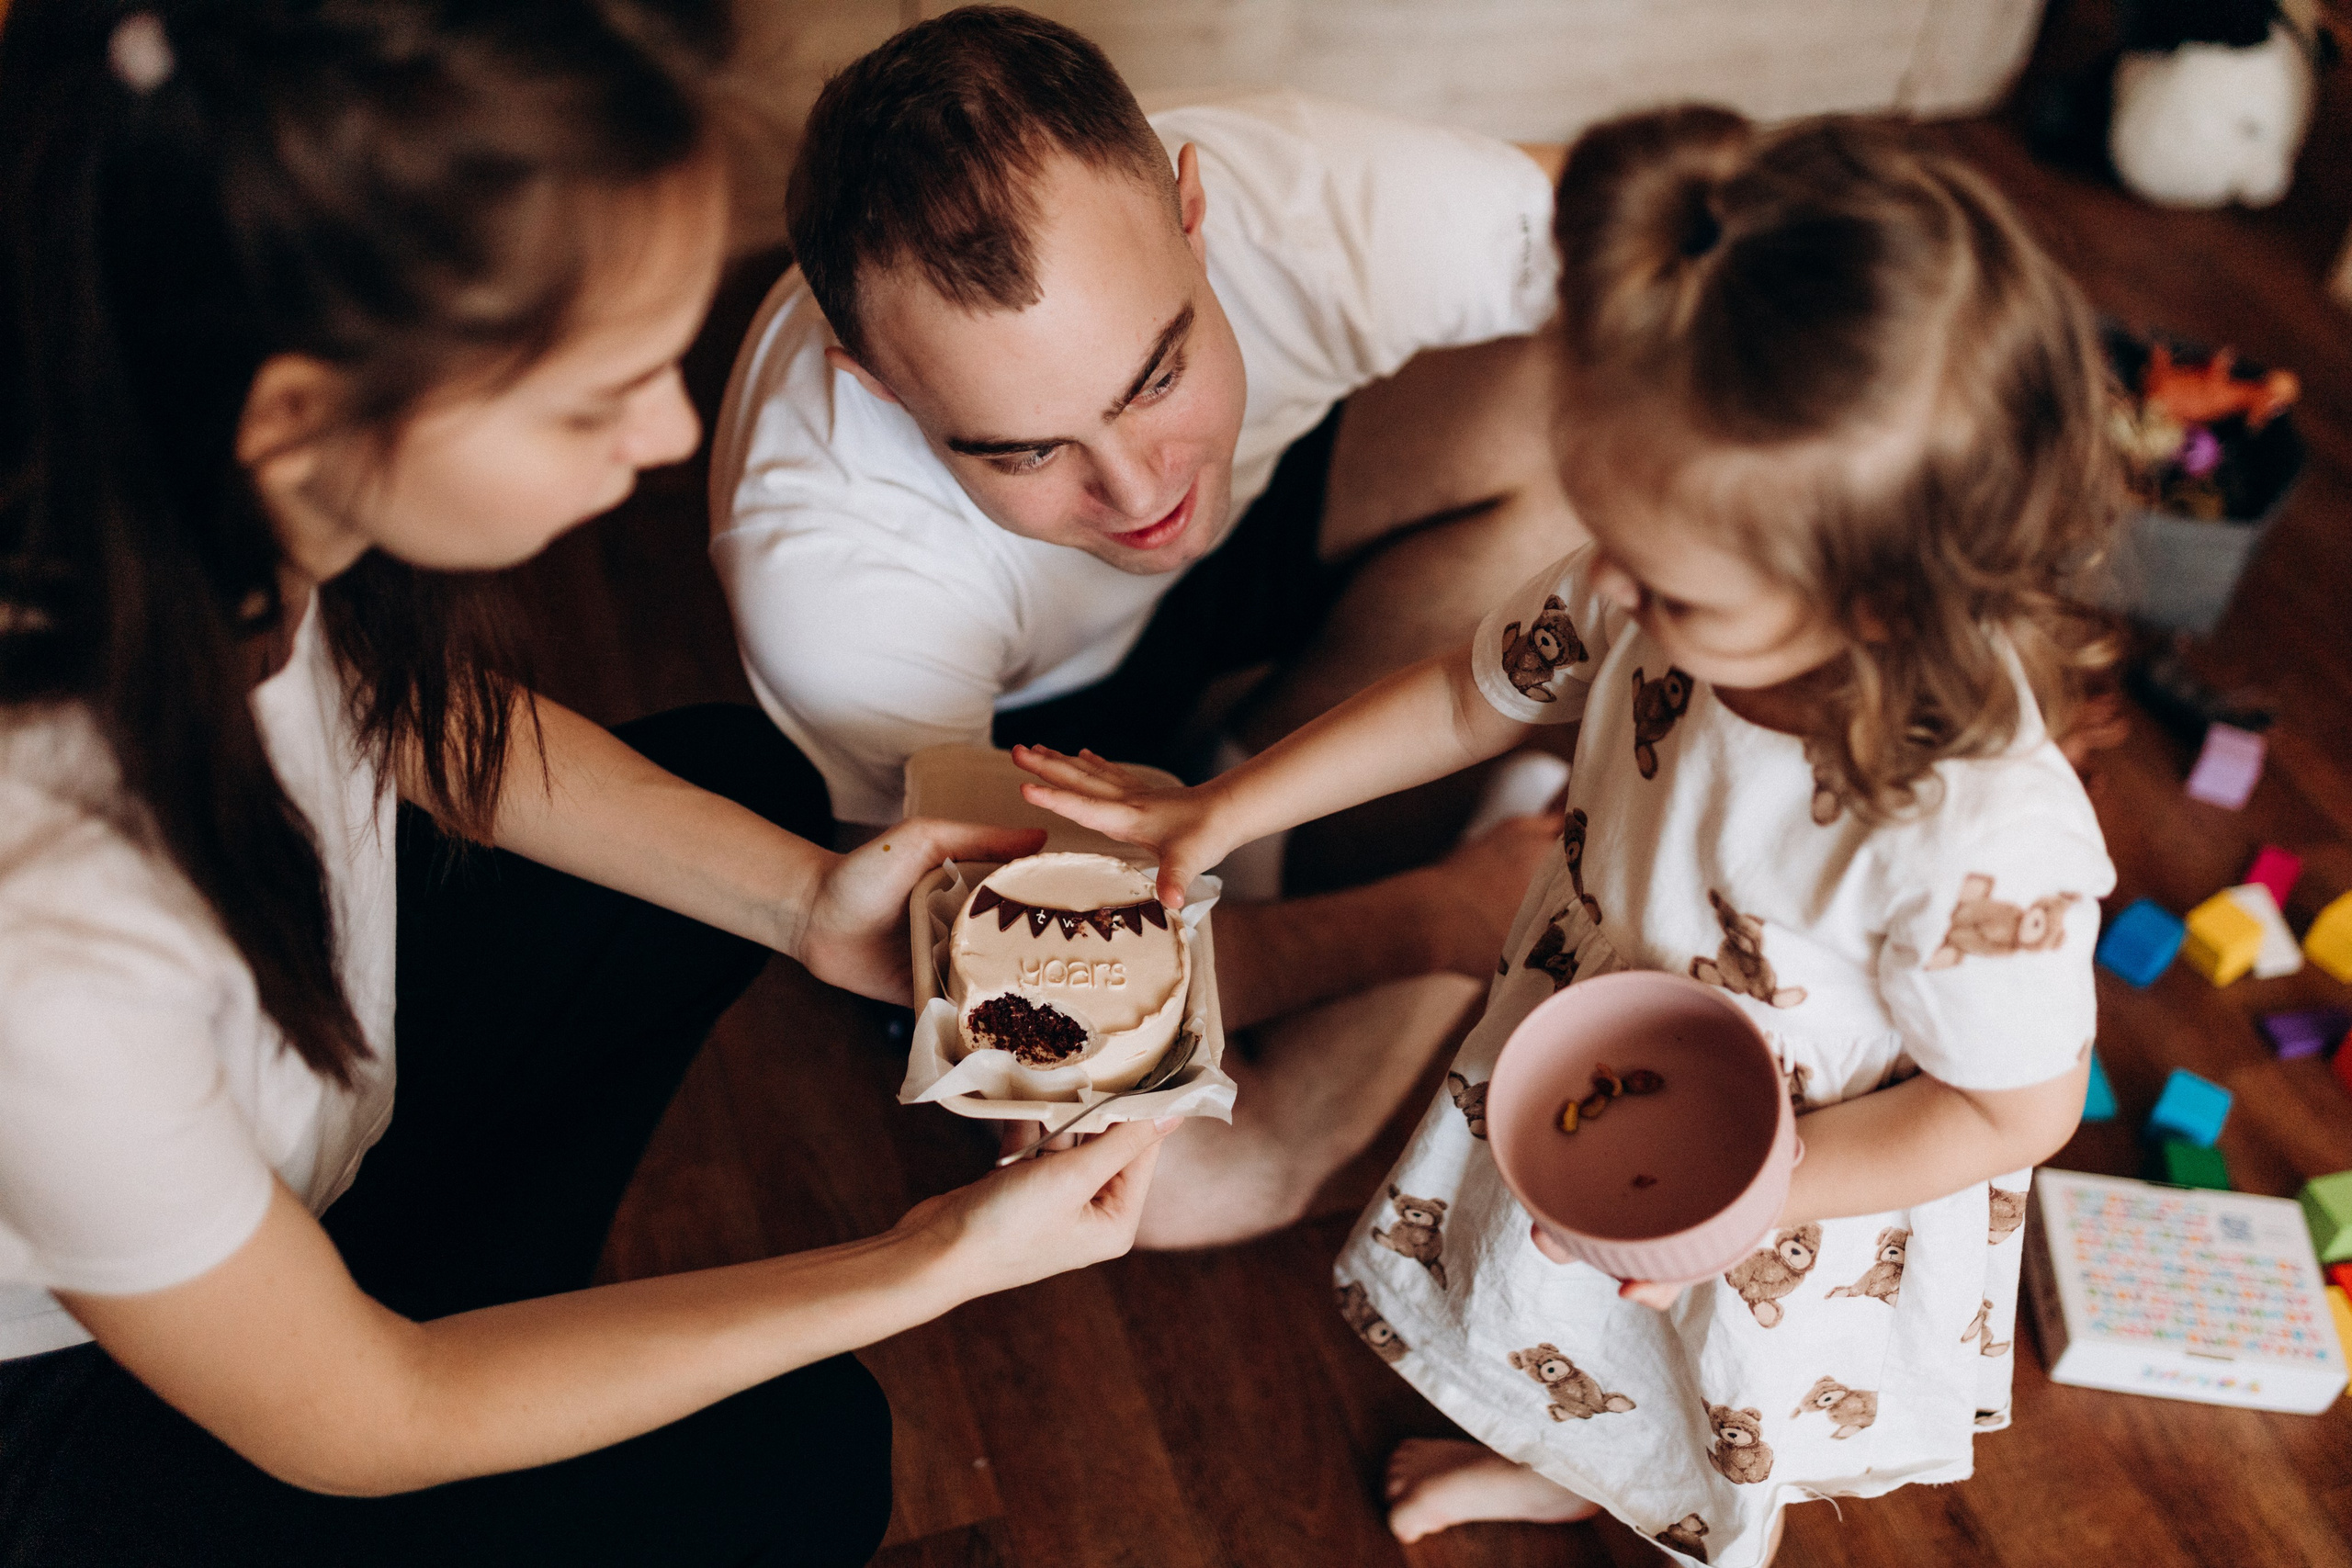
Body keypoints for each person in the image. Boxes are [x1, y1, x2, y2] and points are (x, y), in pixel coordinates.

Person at [0, 5, 1170, 1564]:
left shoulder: (184, 462)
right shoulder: (51, 941)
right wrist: (930, 1258)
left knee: (741, 790)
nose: (672, 429)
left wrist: (810, 905)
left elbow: (405, 724)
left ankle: (482, 1280)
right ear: (299, 414)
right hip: (102, 1394)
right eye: (594, 392)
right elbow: (366, 1416)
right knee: (805, 1460)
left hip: (303, 1111)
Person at [1014, 107, 2120, 1566]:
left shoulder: (1979, 839)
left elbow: (2014, 1114)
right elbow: (1474, 692)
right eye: (1609, 537)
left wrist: (1767, 1197)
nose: (1609, 589)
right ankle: (1571, 1462)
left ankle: (1666, 1511)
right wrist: (1229, 805)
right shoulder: (1654, 578)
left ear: (1875, 598)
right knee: (1571, 1312)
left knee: (1712, 1385)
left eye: (1666, 588)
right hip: (1589, 1032)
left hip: (1792, 1177)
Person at [712, 5, 1580, 1246]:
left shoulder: (1305, 192)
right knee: (1180, 1187)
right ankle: (1487, 862)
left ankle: (1273, 766)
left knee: (1580, 411)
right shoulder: (833, 579)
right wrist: (1442, 917)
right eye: (1025, 447)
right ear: (881, 390)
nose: (1137, 492)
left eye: (1159, 376)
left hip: (1254, 558)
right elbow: (1038, 1002)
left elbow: (1669, 241)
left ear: (1192, 208)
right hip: (1019, 735)